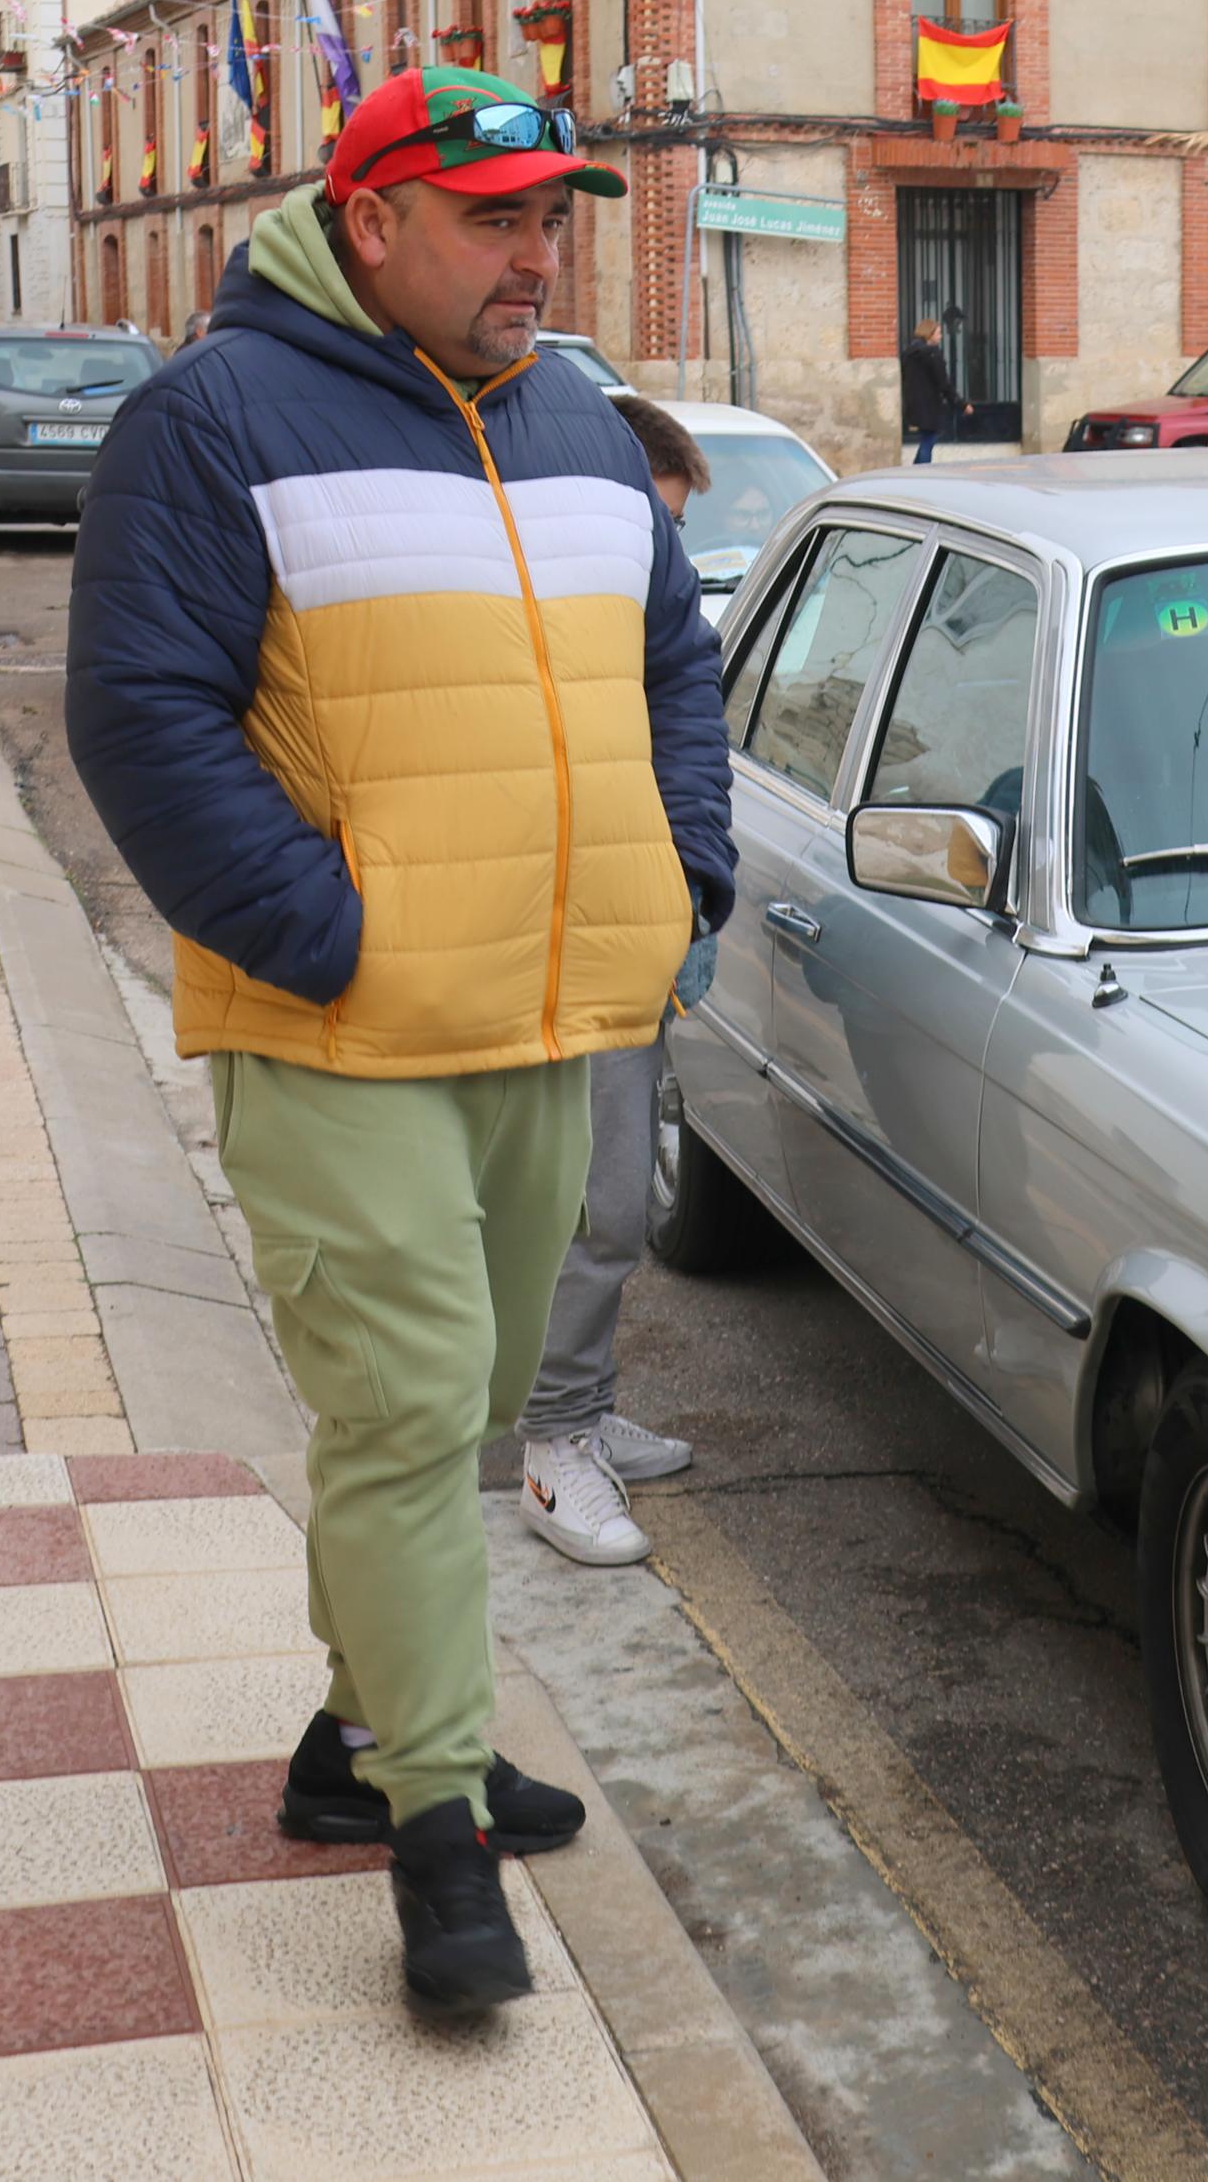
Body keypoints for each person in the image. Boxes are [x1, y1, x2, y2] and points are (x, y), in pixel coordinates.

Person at [65, 67, 734, 2021]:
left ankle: (351, 1740)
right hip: (340, 1026)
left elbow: (672, 668)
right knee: (409, 1404)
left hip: (547, 1007)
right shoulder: (213, 418)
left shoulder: (580, 423)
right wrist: (327, 936)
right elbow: (140, 712)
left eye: (551, 218)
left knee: (472, 1404)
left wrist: (682, 864)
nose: (537, 257)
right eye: (491, 219)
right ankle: (434, 1825)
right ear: (369, 223)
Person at [515, 392, 711, 1568]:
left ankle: (578, 1409)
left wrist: (694, 892)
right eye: (660, 527)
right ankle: (551, 1442)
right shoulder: (560, 630)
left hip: (626, 931)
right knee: (597, 1208)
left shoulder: (645, 638)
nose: (671, 558)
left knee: (613, 1196)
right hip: (562, 942)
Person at [901, 311, 958, 462]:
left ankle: (917, 469)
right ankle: (921, 470)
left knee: (927, 439)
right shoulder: (932, 354)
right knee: (929, 440)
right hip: (929, 404)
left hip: (913, 403)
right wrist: (957, 402)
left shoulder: (908, 353)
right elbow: (943, 382)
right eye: (938, 333)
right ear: (929, 334)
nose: (940, 336)